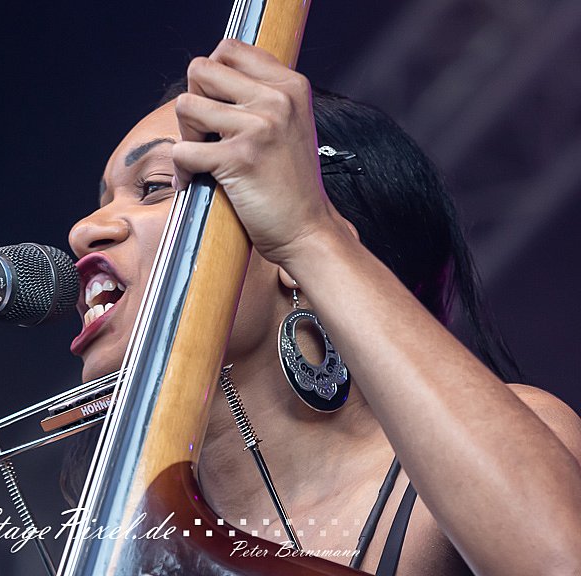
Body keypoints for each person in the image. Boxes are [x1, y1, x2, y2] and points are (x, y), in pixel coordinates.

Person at [65, 39, 581, 575]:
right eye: (104, 201)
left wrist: (311, 236)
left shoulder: (512, 442)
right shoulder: (127, 543)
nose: (84, 231)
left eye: (153, 188)